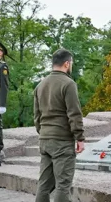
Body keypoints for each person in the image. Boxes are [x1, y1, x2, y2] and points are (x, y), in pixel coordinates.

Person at [34, 49, 86, 202]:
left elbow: (36, 117)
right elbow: (74, 113)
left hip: (44, 140)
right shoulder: (68, 84)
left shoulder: (40, 85)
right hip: (62, 142)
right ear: (67, 63)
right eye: (71, 64)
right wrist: (80, 138)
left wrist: (44, 133)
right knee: (63, 185)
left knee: (43, 185)